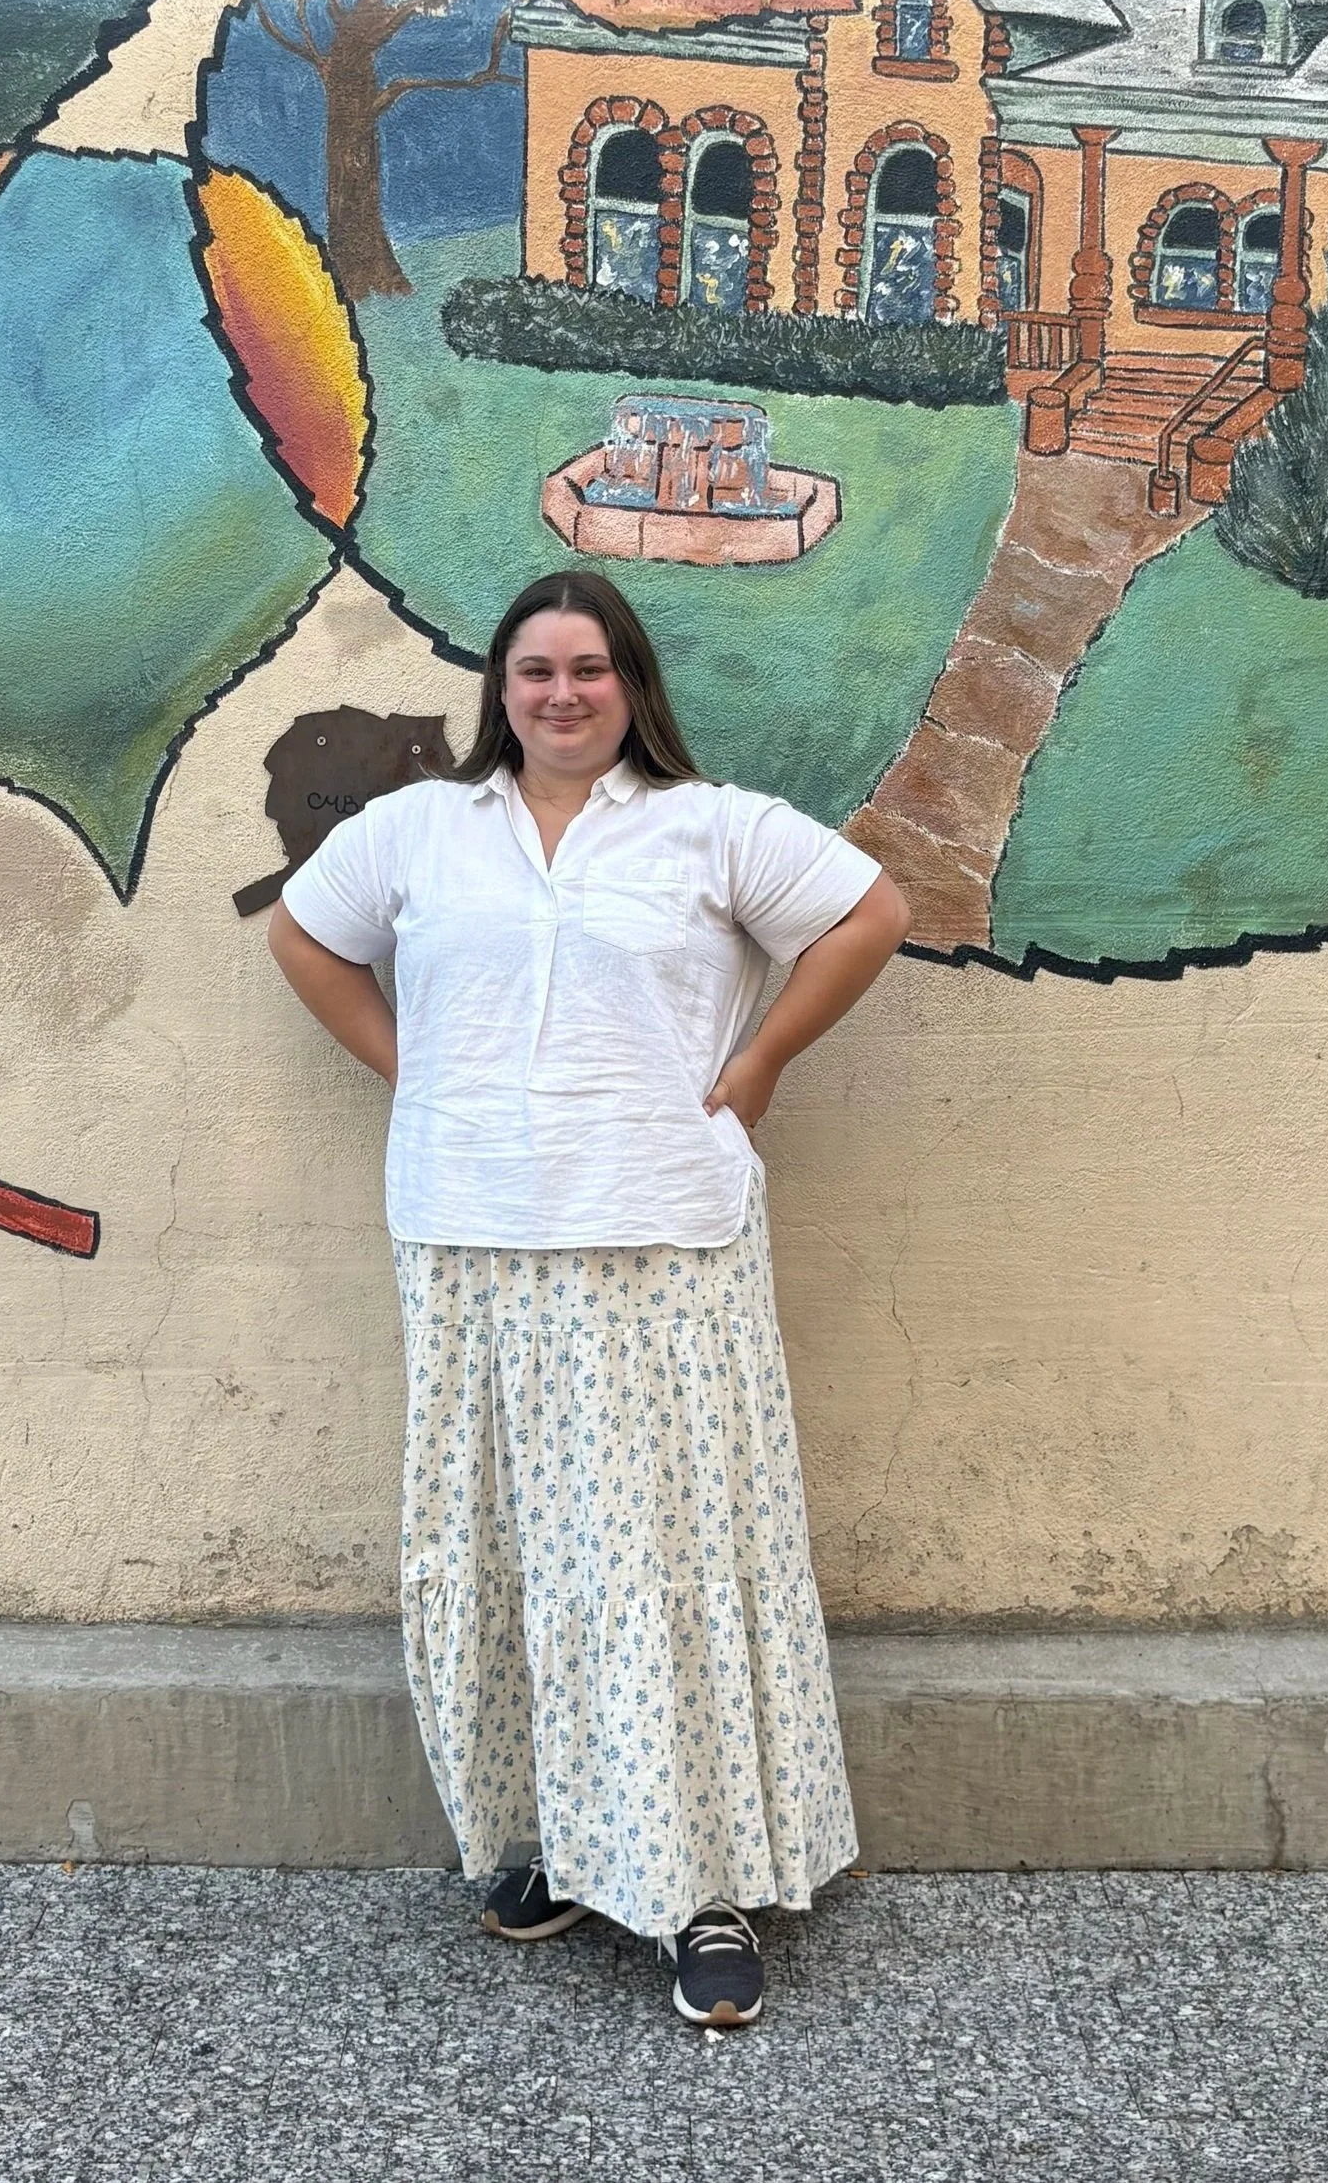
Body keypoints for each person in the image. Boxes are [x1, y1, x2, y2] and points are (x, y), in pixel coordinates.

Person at [267, 570, 911, 2026]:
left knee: (662, 1556)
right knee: (512, 1548)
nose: (561, 694)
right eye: (535, 671)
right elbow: (304, 939)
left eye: (589, 669)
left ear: (632, 685)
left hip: (659, 1240)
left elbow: (871, 915)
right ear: (501, 691)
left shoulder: (710, 826)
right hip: (471, 1238)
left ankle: (702, 1888)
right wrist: (414, 1071)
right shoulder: (422, 829)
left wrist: (758, 1064)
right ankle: (554, 1841)